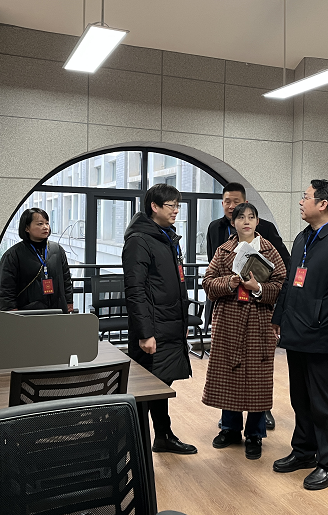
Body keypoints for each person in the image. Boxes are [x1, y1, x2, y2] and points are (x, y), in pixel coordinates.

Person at [271, 179, 328, 490]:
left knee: (324, 404)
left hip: (325, 337)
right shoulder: (303, 237)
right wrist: (278, 318)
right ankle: (303, 451)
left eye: (306, 197)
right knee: (300, 399)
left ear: (323, 204)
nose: (301, 201)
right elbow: (290, 283)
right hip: (297, 332)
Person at [202, 203, 286, 460]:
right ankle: (229, 429)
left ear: (258, 222)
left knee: (257, 378)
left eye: (251, 217)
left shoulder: (270, 250)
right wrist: (229, 283)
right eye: (241, 218)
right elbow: (207, 283)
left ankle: (255, 434)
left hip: (259, 320)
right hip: (229, 320)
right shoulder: (223, 250)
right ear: (233, 223)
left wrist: (257, 287)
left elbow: (281, 285)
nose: (246, 221)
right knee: (230, 375)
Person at [122, 184, 197, 455]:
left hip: (170, 324)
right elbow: (135, 290)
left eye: (178, 205)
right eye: (171, 205)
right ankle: (132, 446)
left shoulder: (166, 237)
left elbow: (177, 283)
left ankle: (163, 436)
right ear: (154, 207)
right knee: (145, 391)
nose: (176, 210)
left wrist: (183, 323)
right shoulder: (139, 240)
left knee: (161, 384)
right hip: (153, 329)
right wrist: (145, 333)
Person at [0, 208, 73, 313]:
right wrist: (11, 311)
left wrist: (69, 302)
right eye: (40, 224)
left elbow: (66, 279)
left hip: (57, 310)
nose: (45, 227)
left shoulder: (57, 250)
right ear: (27, 228)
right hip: (27, 313)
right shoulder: (13, 254)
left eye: (47, 223)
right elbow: (6, 288)